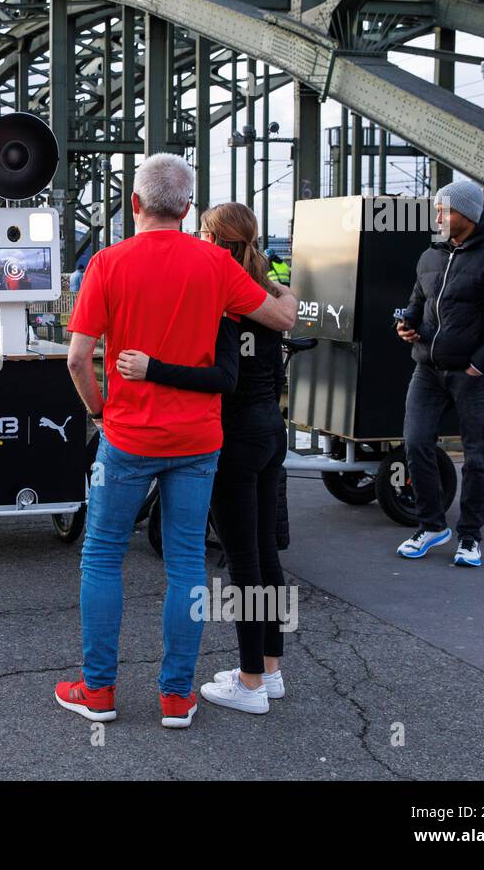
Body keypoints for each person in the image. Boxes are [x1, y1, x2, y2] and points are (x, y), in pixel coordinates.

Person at [55, 155, 297, 728]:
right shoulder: (214, 262)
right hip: (199, 441)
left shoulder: (106, 264)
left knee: (103, 556)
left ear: (134, 204)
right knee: (187, 561)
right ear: (188, 208)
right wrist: (287, 295)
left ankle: (99, 692)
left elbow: (76, 359)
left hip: (129, 437)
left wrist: (101, 411)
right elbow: (280, 317)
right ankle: (176, 697)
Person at [118, 203, 293, 716]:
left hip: (234, 437)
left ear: (213, 237)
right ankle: (271, 670)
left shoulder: (220, 293)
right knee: (266, 554)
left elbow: (223, 378)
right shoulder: (266, 290)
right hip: (271, 430)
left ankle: (250, 681)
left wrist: (154, 369)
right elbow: (287, 309)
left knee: (243, 561)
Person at [396, 180, 484, 567]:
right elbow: (416, 304)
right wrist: (406, 325)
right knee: (416, 442)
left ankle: (470, 536)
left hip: (473, 374)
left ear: (467, 214)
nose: (438, 217)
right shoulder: (429, 257)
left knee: (477, 457)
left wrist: (481, 362)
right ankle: (432, 525)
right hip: (427, 368)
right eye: (437, 210)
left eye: (445, 211)